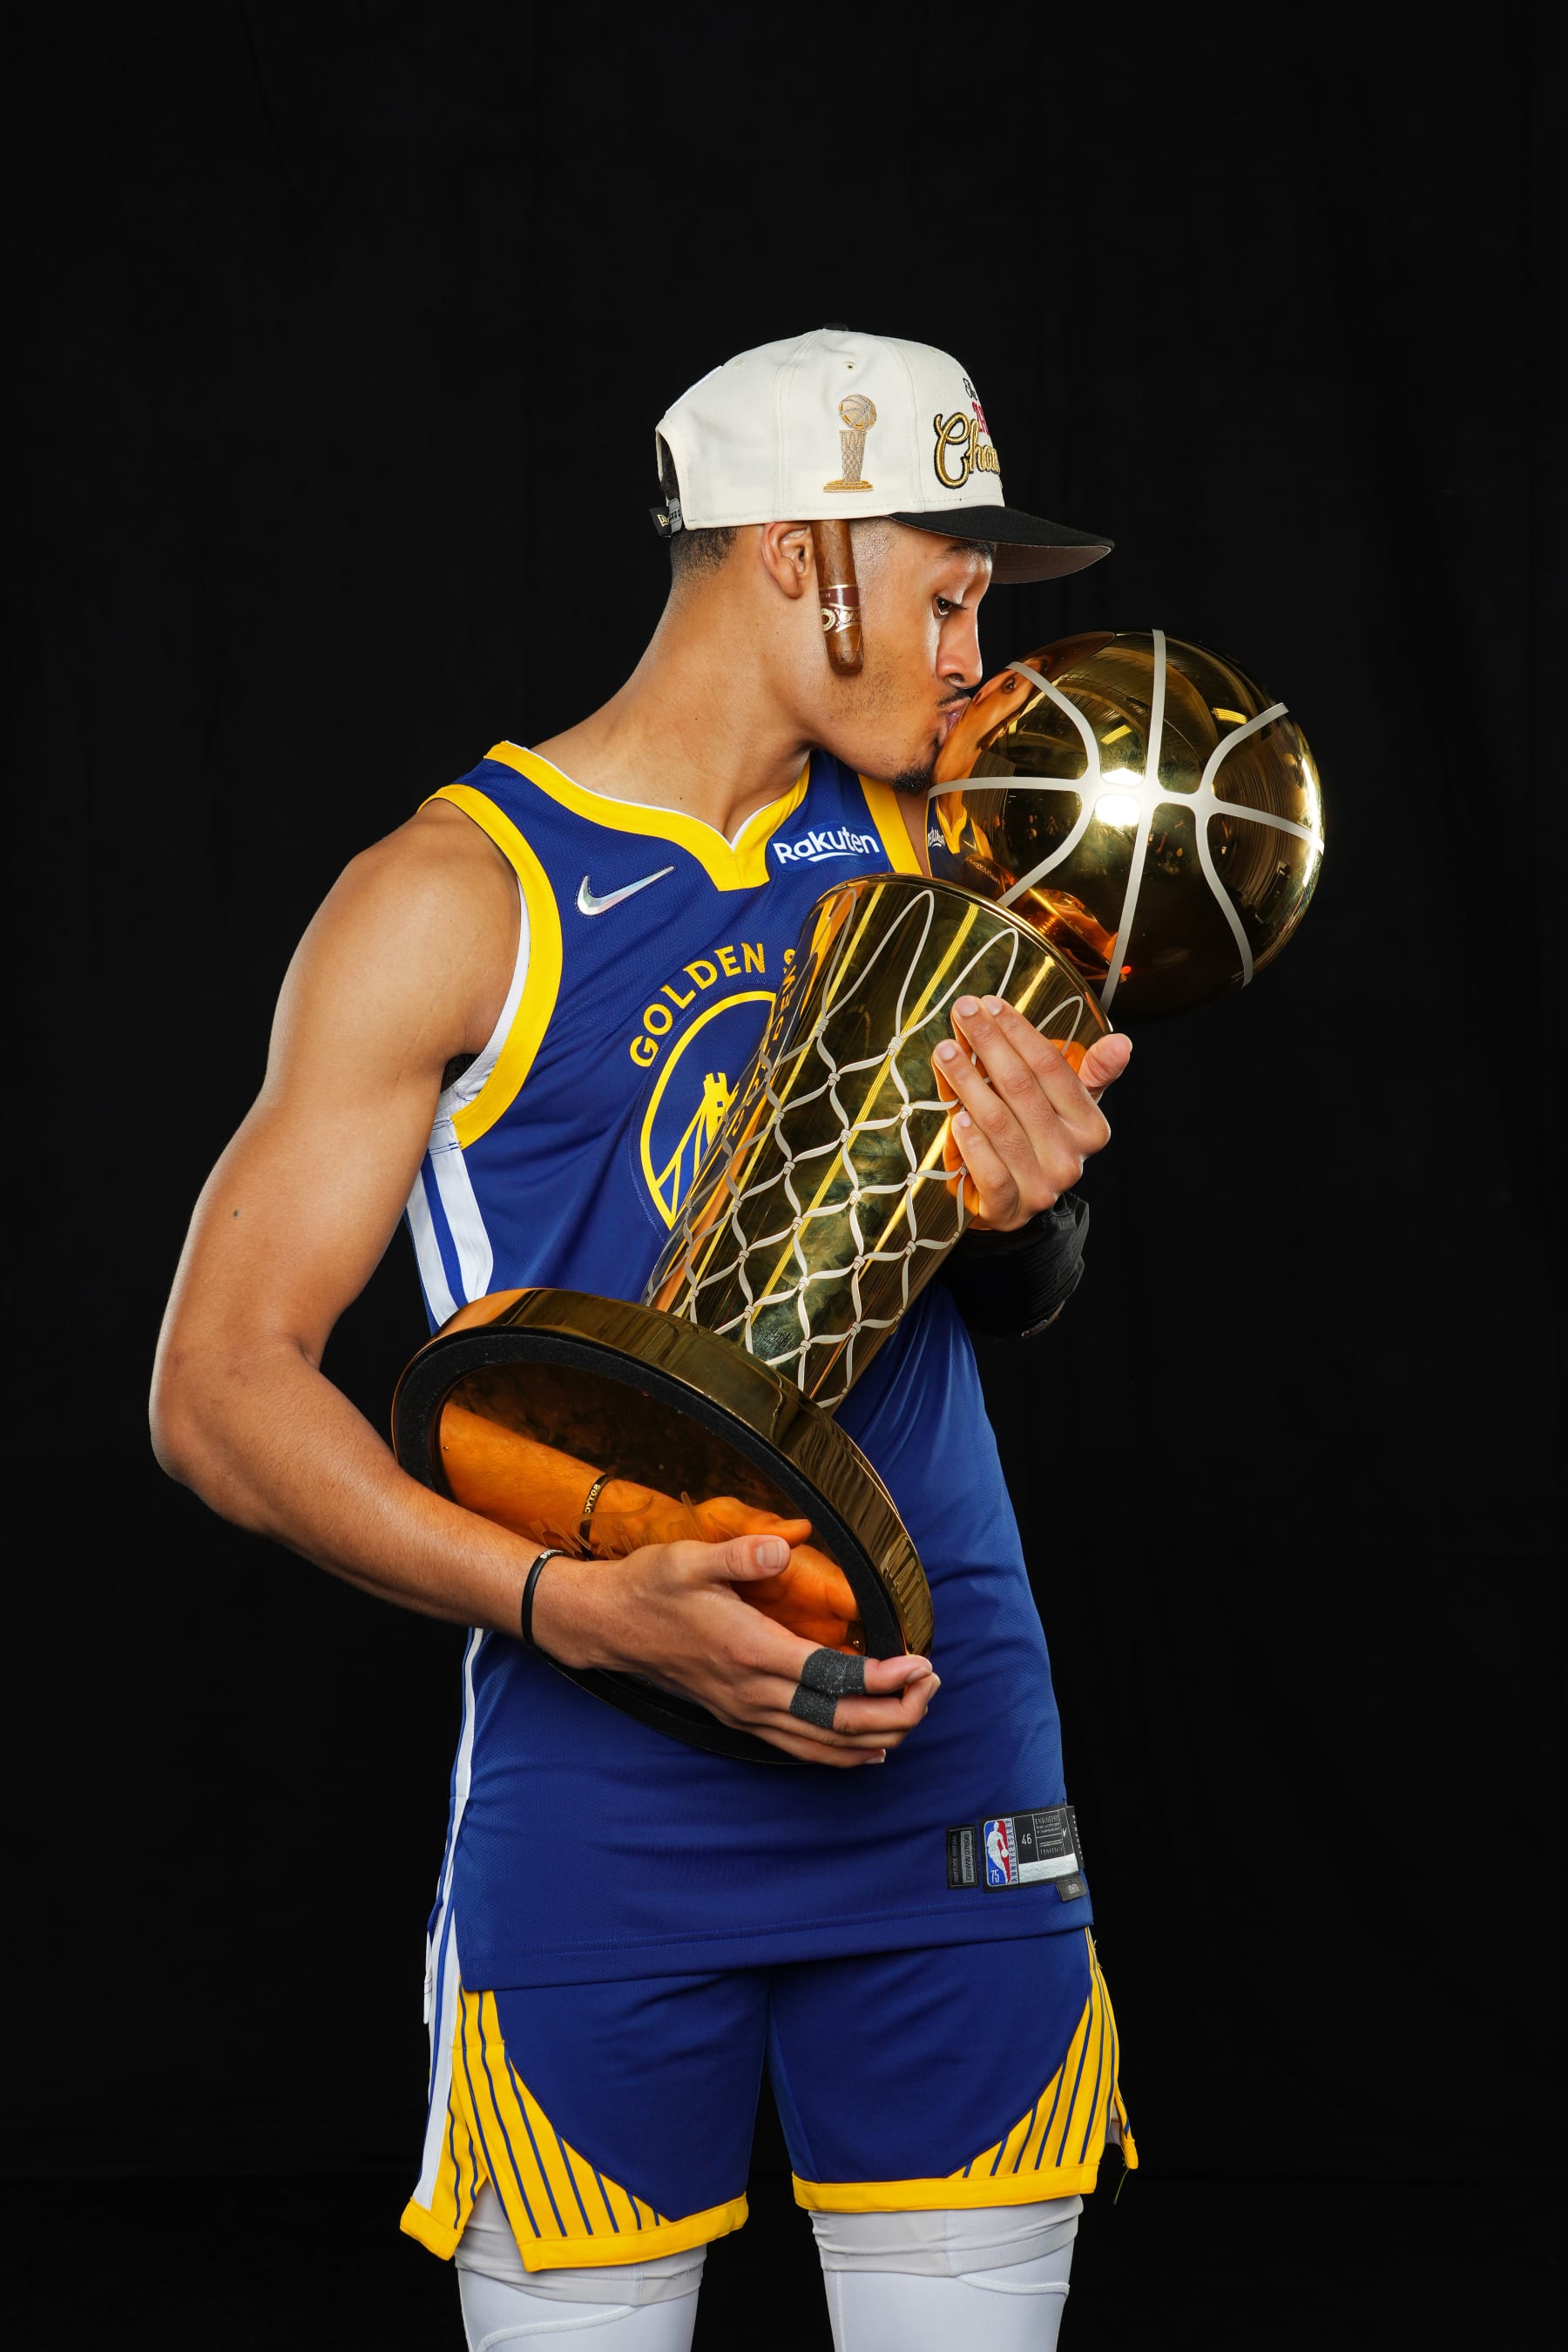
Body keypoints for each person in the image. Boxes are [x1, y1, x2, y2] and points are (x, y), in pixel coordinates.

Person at [152, 327, 1138, 2350]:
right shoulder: (453, 899)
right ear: (800, 557)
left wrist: (1033, 1218)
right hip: (603, 1796)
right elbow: (219, 1384)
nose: (975, 659)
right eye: (946, 595)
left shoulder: (943, 854)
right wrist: (560, 1607)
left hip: (944, 1746)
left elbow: (1004, 1296)